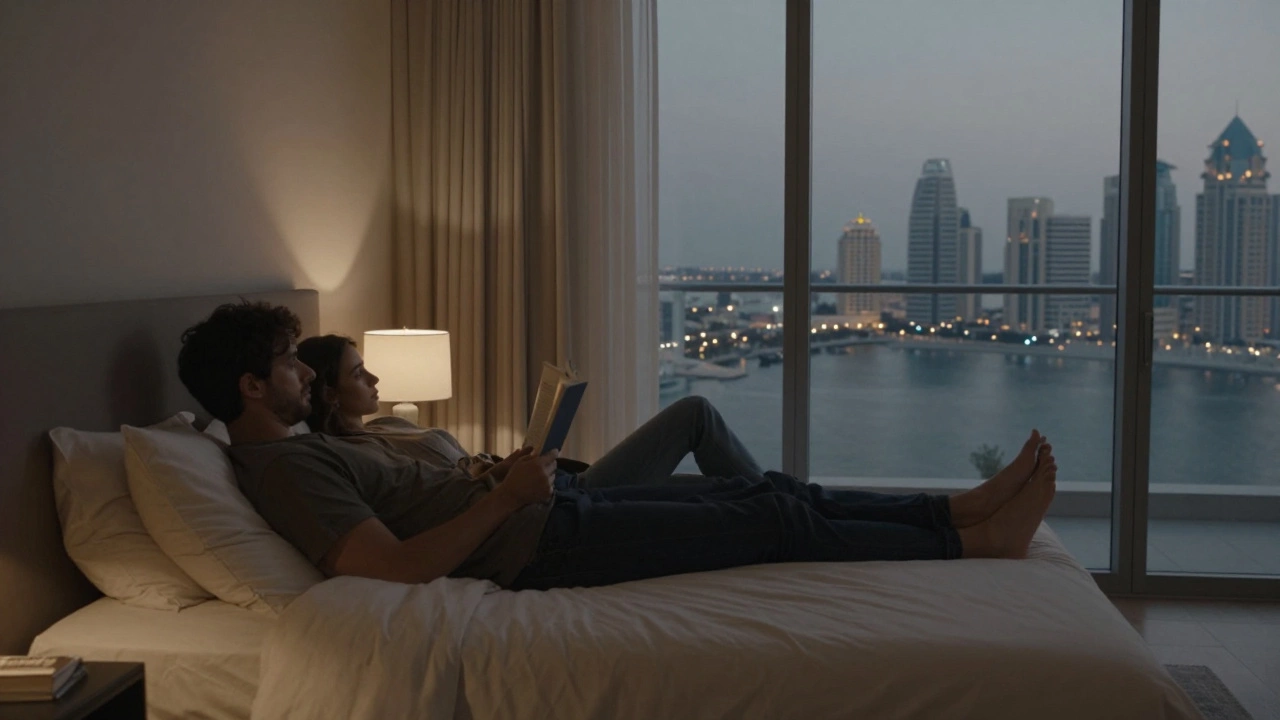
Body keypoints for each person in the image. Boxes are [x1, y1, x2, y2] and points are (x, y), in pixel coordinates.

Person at [177, 301, 1058, 592]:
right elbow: (386, 571)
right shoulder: (285, 468)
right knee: (765, 514)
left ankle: (958, 510)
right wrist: (505, 498)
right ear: (252, 387)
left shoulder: (307, 447)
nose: (306, 373)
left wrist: (516, 481)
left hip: (546, 512)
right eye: (289, 362)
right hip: (535, 542)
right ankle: (968, 538)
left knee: (767, 495)